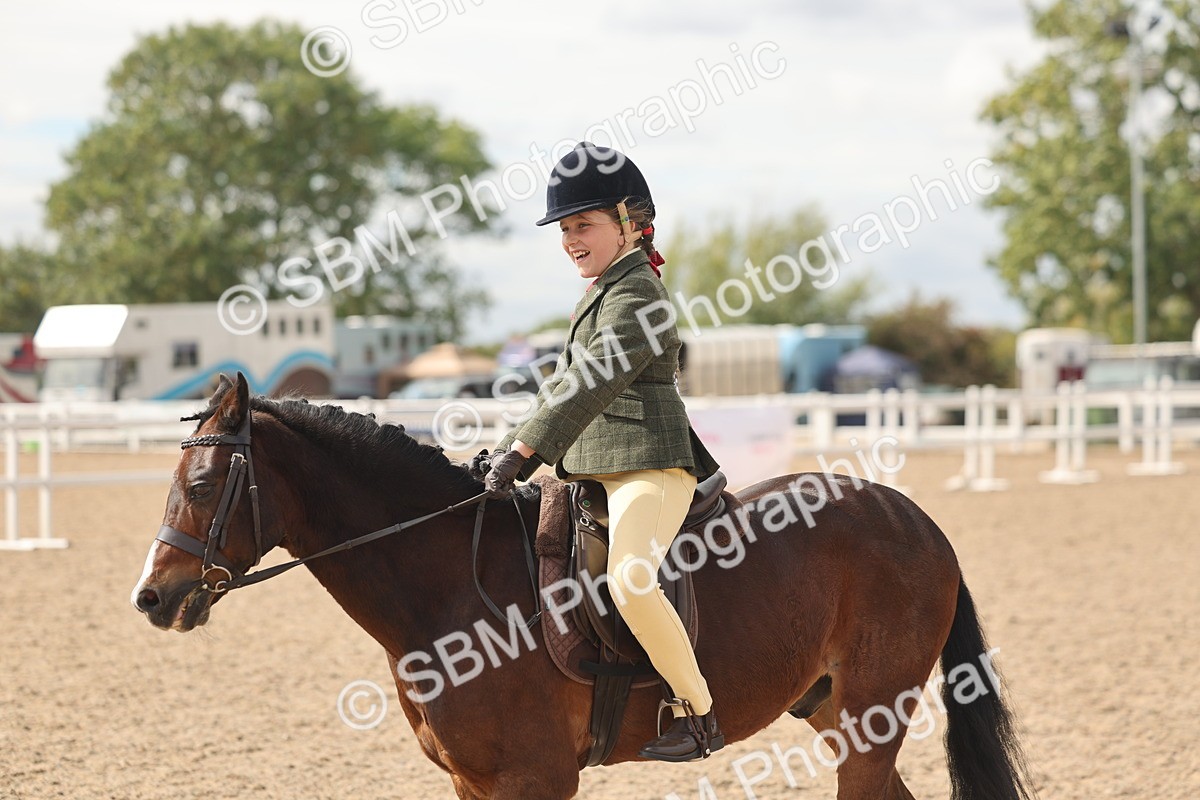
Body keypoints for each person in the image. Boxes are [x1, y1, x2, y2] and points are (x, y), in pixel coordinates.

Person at [478, 141, 724, 762]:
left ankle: (698, 713)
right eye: (564, 230)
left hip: (648, 463)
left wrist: (526, 453)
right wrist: (505, 449)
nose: (570, 240)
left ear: (628, 224)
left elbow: (591, 380)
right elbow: (560, 385)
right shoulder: (599, 292)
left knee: (632, 579)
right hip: (589, 465)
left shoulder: (639, 293)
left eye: (582, 225)